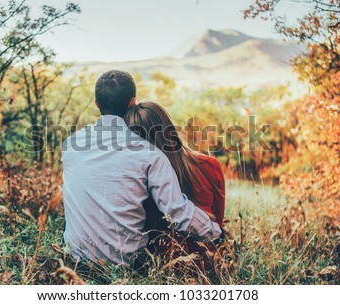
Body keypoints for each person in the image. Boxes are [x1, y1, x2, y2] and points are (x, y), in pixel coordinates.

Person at [62, 70, 222, 267]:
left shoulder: (70, 145)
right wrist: (215, 235)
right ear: (132, 102)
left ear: (96, 103)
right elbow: (177, 211)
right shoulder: (150, 154)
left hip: (75, 259)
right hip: (127, 264)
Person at [124, 101, 225, 257]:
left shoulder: (137, 178)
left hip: (162, 267)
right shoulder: (210, 165)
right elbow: (218, 225)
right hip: (209, 261)